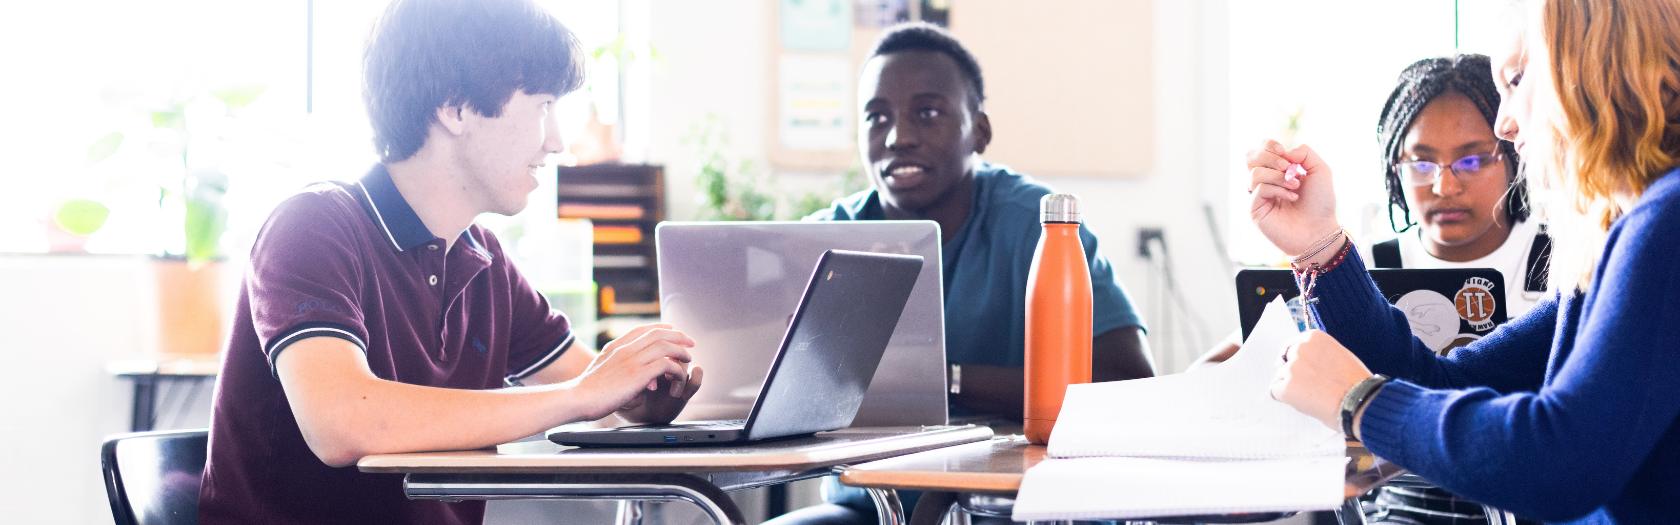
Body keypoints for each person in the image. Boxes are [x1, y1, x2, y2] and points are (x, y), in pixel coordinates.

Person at [197, 1, 702, 523]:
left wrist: (638, 397)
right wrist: (583, 395)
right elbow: (342, 423)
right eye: (542, 106)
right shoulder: (313, 227)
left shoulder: (483, 259)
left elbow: (591, 390)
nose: (557, 142)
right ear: (455, 108)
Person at [1259, 0, 1680, 522]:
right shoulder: (1628, 230)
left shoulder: (1667, 220)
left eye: (1518, 79)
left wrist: (1359, 401)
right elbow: (1438, 383)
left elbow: (1563, 462)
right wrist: (1318, 244)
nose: (1504, 123)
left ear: (1596, 68)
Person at [774, 22, 1154, 525]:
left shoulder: (1039, 227)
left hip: (1016, 509)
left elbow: (1127, 381)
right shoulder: (828, 236)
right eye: (876, 117)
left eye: (927, 114)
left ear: (979, 131)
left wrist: (941, 380)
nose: (897, 137)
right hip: (869, 508)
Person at [1191, 54, 1546, 374]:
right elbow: (1209, 371)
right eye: (1421, 163)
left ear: (1512, 154)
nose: (1445, 186)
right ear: (1395, 168)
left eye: (1471, 161)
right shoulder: (1348, 269)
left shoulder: (1561, 261)